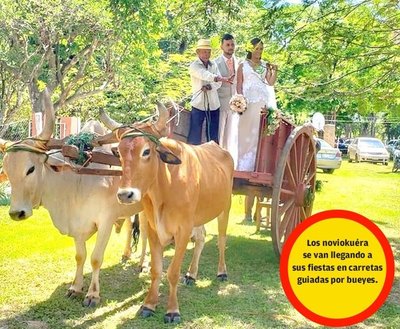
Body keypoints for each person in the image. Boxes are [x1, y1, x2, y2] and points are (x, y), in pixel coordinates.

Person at [235, 37, 278, 171]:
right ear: (250, 49)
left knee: (258, 133)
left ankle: (257, 165)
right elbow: (239, 85)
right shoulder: (243, 65)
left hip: (261, 103)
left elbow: (270, 83)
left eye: (261, 49)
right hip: (247, 104)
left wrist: (274, 70)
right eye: (256, 48)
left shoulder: (265, 65)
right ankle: (243, 165)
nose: (259, 51)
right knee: (245, 132)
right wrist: (240, 102)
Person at [187, 39, 231, 145]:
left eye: (208, 52)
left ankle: (213, 156)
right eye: (204, 51)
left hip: (213, 105)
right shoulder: (194, 65)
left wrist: (210, 86)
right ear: (198, 52)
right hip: (198, 104)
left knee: (213, 135)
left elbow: (218, 84)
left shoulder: (213, 65)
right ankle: (193, 157)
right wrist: (218, 78)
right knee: (195, 134)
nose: (207, 54)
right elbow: (204, 74)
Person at [214, 34, 237, 151]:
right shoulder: (215, 63)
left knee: (232, 137)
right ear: (221, 46)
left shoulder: (240, 63)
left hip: (236, 106)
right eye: (227, 45)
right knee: (220, 135)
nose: (230, 47)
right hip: (220, 104)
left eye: (232, 44)